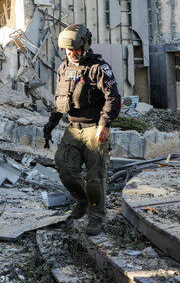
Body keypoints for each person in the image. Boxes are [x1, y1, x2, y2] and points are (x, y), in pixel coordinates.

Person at [43, 24, 121, 235]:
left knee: (96, 178)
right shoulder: (64, 68)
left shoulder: (98, 67)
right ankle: (83, 200)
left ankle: (96, 217)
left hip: (94, 129)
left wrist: (104, 124)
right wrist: (51, 122)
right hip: (73, 128)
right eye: (68, 50)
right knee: (64, 167)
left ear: (85, 46)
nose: (72, 53)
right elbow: (60, 99)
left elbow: (113, 98)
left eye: (75, 49)